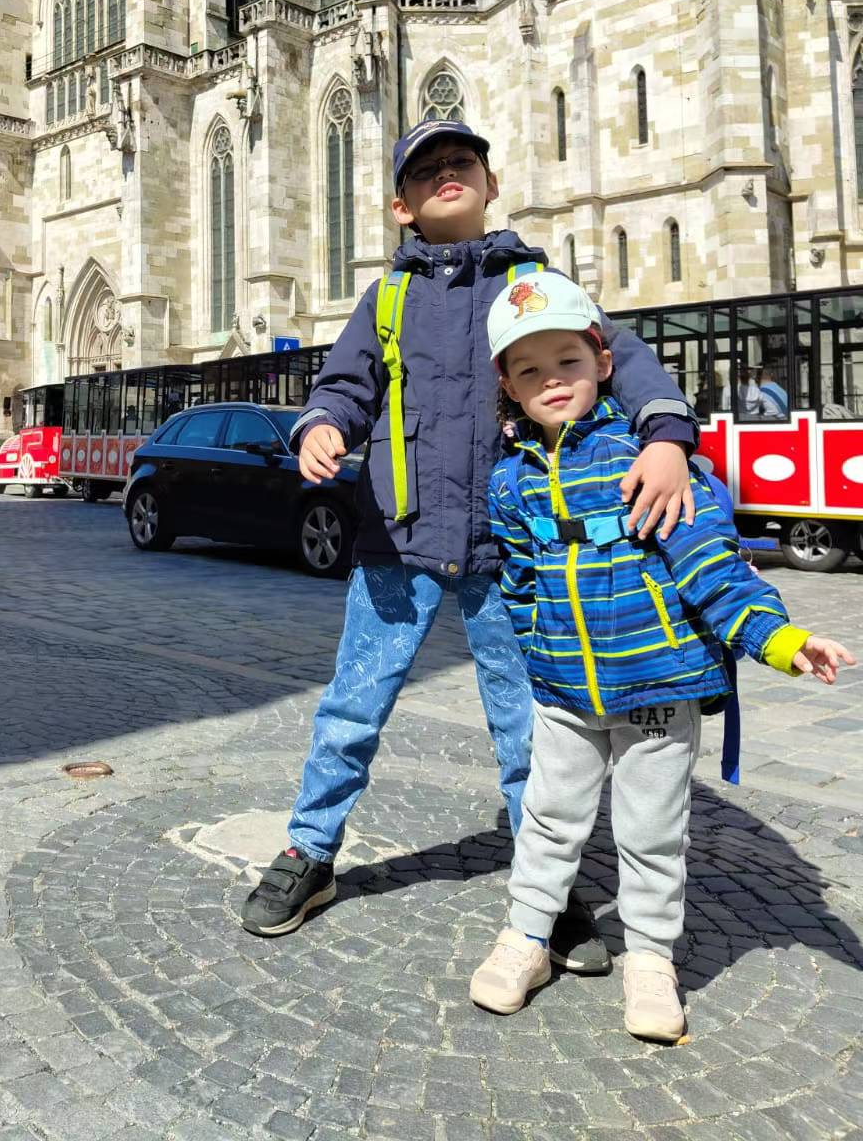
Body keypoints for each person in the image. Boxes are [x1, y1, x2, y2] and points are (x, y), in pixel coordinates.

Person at [239, 119, 700, 968]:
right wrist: (323, 425)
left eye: (461, 162)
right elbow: (344, 385)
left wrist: (666, 437)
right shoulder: (386, 298)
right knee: (352, 710)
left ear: (492, 184)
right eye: (426, 170)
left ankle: (547, 885)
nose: (446, 173)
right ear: (401, 207)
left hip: (510, 544)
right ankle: (311, 851)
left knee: (530, 728)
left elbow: (621, 359)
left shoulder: (534, 284)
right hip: (396, 539)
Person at [470, 271, 854, 1040]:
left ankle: (650, 960)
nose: (552, 380)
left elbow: (712, 565)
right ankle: (526, 938)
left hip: (657, 687)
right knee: (548, 820)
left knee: (649, 832)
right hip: (564, 691)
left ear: (603, 362)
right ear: (508, 387)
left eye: (568, 361)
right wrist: (537, 650)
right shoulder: (509, 480)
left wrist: (779, 640)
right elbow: (518, 580)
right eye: (530, 370)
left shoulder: (648, 458)